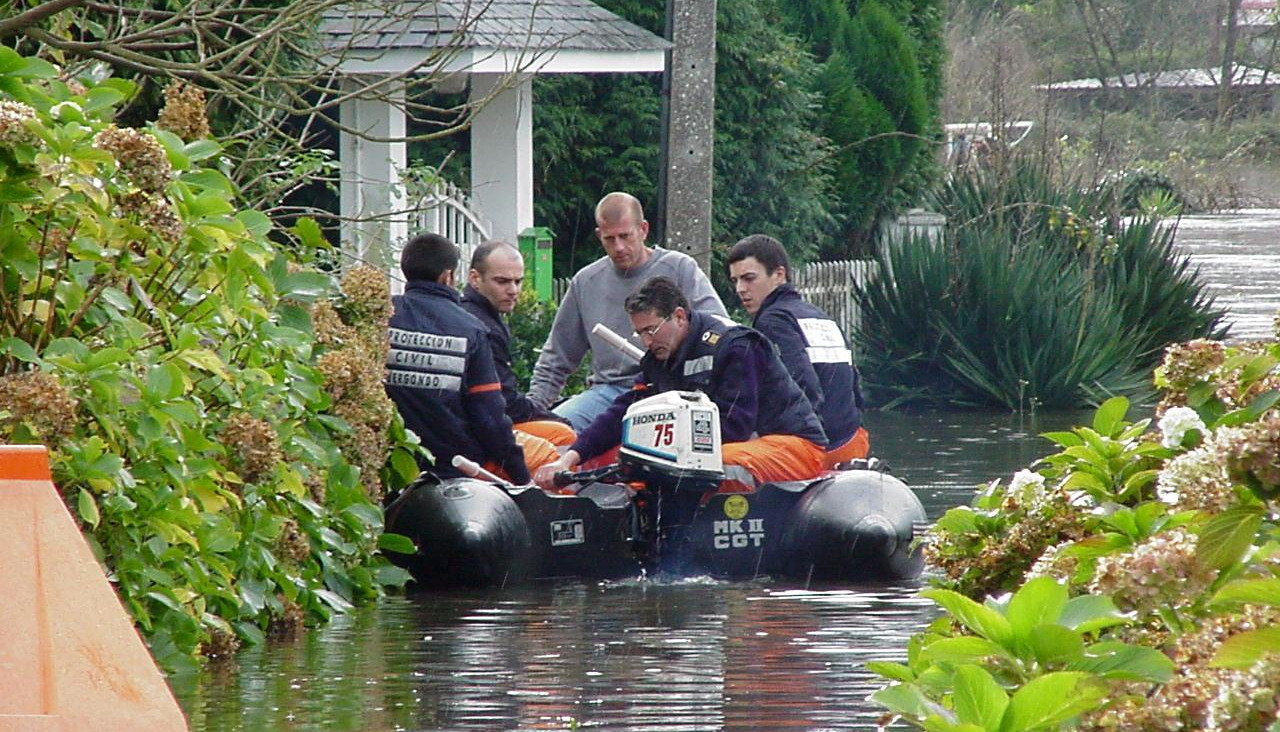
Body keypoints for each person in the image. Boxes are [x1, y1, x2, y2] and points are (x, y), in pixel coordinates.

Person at [533, 276, 827, 492]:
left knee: (716, 464)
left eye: (652, 330)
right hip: (728, 445)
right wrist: (569, 459)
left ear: (679, 316)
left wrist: (655, 455)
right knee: (621, 456)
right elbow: (621, 413)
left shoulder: (735, 346)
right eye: (640, 334)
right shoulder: (660, 357)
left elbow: (736, 426)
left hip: (789, 443)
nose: (647, 341)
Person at [527, 191, 727, 432]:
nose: (619, 247)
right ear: (599, 235)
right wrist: (533, 409)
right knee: (550, 433)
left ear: (643, 229)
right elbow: (557, 356)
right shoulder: (586, 282)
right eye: (609, 239)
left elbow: (718, 332)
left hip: (674, 390)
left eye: (625, 236)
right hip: (609, 392)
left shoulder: (680, 268)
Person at [384, 232, 532, 484]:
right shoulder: (471, 330)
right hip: (458, 468)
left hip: (394, 462)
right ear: (448, 276)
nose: (513, 290)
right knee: (552, 448)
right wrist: (523, 480)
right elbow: (490, 419)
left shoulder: (383, 317)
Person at [726, 234, 869, 469]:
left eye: (749, 278)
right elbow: (855, 389)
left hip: (816, 450)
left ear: (779, 275)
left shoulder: (772, 321)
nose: (741, 289)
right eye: (735, 281)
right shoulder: (818, 315)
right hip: (853, 441)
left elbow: (802, 385)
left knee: (720, 458)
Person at [460, 240, 576, 462]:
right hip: (480, 434)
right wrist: (548, 415)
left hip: (479, 424)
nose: (513, 290)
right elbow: (504, 402)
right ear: (475, 279)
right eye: (502, 281)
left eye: (518, 281)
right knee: (564, 437)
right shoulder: (482, 326)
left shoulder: (477, 314)